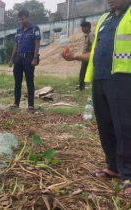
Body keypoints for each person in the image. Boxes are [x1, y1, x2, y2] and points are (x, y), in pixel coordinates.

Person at [62, 0, 131, 194]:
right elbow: (96, 52)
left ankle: (129, 174)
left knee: (124, 126)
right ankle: (114, 167)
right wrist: (75, 56)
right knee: (105, 125)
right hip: (100, 77)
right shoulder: (104, 19)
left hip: (123, 78)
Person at [8, 10, 41, 110]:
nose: (21, 21)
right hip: (18, 58)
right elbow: (16, 45)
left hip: (29, 58)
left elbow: (37, 44)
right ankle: (16, 103)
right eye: (20, 20)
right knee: (17, 81)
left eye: (23, 19)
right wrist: (11, 59)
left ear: (28, 18)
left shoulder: (34, 29)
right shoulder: (18, 31)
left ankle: (31, 105)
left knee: (29, 82)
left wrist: (35, 58)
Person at [78, 21, 95, 91]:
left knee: (83, 72)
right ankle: (82, 87)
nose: (82, 29)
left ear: (87, 27)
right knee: (83, 72)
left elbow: (94, 45)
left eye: (83, 28)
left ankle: (81, 88)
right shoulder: (87, 35)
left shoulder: (91, 35)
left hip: (88, 57)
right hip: (86, 56)